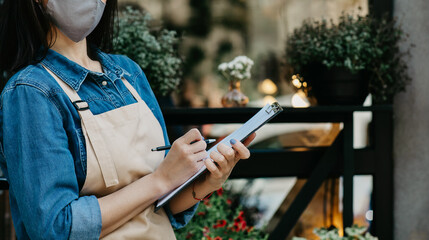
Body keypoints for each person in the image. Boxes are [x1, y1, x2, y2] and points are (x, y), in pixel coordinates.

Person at [0, 0, 256, 239]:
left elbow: (161, 206)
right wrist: (160, 181)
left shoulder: (128, 73)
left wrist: (206, 181)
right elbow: (55, 227)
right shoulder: (31, 92)